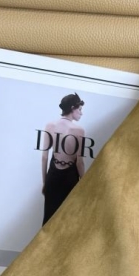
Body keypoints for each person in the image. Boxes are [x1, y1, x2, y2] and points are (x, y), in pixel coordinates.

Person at [41, 92, 87, 226]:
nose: (81, 113)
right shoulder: (79, 131)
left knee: (49, 219)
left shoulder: (50, 126)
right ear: (72, 108)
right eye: (80, 109)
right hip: (70, 178)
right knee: (67, 221)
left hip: (53, 177)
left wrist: (45, 182)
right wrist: (85, 184)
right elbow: (79, 162)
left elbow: (44, 157)